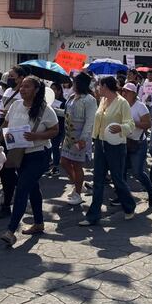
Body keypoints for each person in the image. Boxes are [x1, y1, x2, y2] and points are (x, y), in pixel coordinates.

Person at [0, 76, 59, 245]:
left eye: (27, 86)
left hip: (38, 154)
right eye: (22, 86)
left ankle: (11, 230)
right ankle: (39, 223)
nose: (22, 89)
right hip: (18, 154)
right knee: (32, 187)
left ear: (36, 90)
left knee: (22, 189)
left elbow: (55, 130)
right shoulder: (16, 105)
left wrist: (37, 136)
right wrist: (3, 135)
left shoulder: (45, 110)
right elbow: (6, 123)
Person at [80, 76, 136, 226]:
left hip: (116, 145)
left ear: (105, 86)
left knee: (117, 179)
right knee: (97, 180)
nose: (97, 89)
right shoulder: (103, 101)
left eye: (99, 86)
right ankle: (93, 216)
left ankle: (129, 206)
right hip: (100, 143)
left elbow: (130, 124)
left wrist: (121, 128)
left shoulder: (122, 103)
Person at [60, 72, 97, 205]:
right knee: (64, 162)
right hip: (69, 135)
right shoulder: (71, 97)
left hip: (81, 136)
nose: (73, 85)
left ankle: (78, 193)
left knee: (76, 165)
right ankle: (78, 185)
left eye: (75, 82)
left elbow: (90, 120)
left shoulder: (89, 99)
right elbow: (66, 113)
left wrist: (83, 139)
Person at [120, 83, 152, 206]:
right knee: (122, 171)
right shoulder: (121, 105)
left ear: (134, 94)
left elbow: (148, 124)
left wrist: (133, 123)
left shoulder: (141, 107)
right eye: (123, 91)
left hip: (138, 143)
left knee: (137, 172)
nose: (124, 93)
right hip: (124, 141)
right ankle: (122, 196)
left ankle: (151, 192)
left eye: (127, 91)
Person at [48, 82, 67, 175]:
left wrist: (56, 111)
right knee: (49, 146)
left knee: (55, 146)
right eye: (51, 89)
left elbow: (66, 114)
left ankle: (56, 167)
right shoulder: (48, 100)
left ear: (59, 91)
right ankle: (50, 162)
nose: (53, 91)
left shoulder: (64, 102)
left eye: (55, 89)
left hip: (59, 127)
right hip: (48, 126)